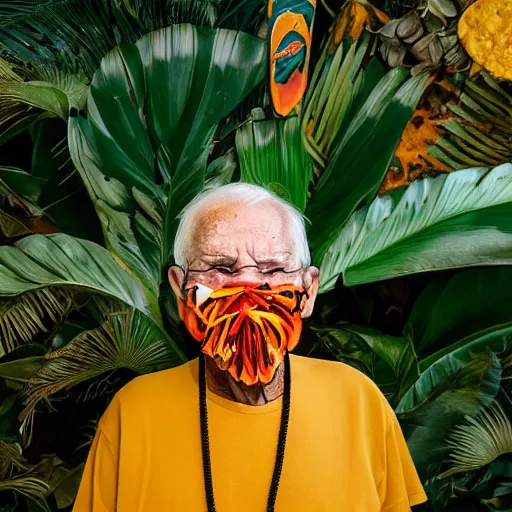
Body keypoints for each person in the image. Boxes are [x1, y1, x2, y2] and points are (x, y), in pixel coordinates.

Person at [72, 183, 428, 511]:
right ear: (182, 292)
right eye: (221, 268)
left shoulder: (358, 401)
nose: (247, 286)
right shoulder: (133, 414)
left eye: (272, 269)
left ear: (308, 292)